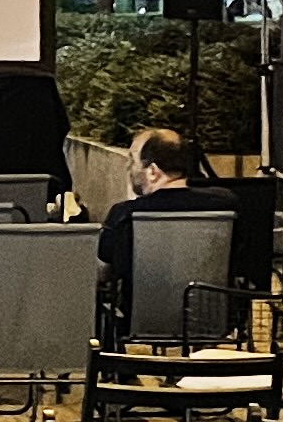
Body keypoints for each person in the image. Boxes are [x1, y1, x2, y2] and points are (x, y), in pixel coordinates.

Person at [95, 127, 241, 342]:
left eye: (133, 161)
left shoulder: (125, 214)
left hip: (138, 322)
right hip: (214, 320)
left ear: (152, 171)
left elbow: (102, 273)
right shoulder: (226, 205)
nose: (129, 168)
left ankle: (119, 370)